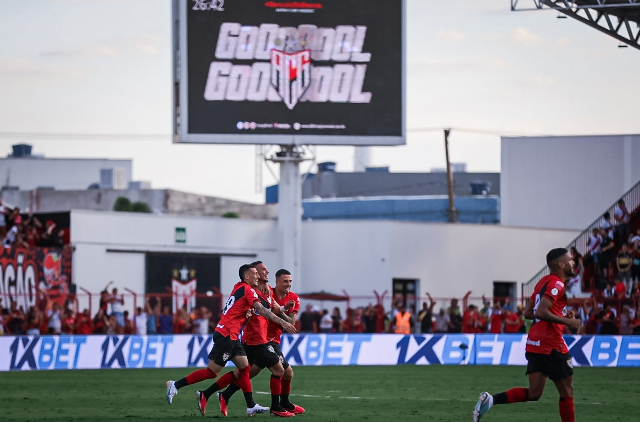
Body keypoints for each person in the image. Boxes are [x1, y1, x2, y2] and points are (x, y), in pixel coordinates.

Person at [165, 264, 296, 417]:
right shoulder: (248, 290)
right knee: (212, 372)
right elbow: (261, 309)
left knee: (244, 369)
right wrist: (283, 322)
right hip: (227, 334)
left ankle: (250, 406)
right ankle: (176, 385)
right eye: (255, 273)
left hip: (233, 335)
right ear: (247, 276)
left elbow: (247, 308)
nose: (258, 276)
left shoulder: (239, 287)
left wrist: (252, 312)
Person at [474, 248, 581, 422]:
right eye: (570, 259)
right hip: (551, 343)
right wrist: (568, 322)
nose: (573, 262)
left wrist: (561, 315)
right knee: (567, 391)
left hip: (534, 343)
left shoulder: (543, 282)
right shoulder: (557, 284)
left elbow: (528, 313)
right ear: (561, 264)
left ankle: (491, 399)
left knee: (535, 392)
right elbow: (540, 312)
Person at [217, 264, 302, 417]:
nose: (288, 284)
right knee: (284, 371)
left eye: (290, 281)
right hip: (260, 340)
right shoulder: (262, 291)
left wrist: (284, 310)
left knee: (246, 373)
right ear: (277, 282)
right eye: (285, 281)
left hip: (270, 340)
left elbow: (289, 320)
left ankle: (222, 395)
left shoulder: (293, 298)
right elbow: (259, 310)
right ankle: (279, 405)